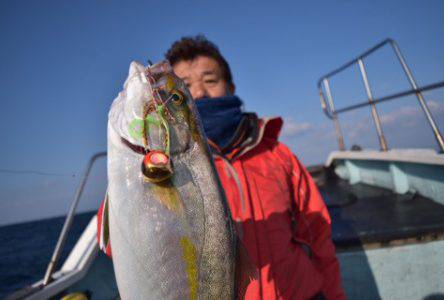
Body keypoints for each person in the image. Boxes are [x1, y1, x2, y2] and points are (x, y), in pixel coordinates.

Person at [97, 35, 345, 300]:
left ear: (231, 86)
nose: (200, 92)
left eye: (210, 80)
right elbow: (115, 244)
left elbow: (318, 234)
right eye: (186, 87)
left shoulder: (277, 154)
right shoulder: (163, 161)